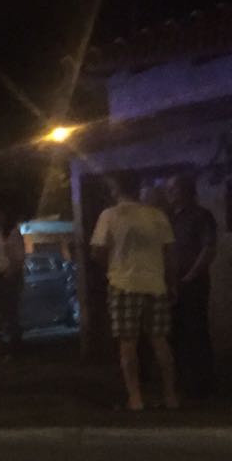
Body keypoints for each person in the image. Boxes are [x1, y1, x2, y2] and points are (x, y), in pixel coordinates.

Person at [91, 170, 178, 411]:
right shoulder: (157, 215)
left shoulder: (109, 215)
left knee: (127, 342)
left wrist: (113, 265)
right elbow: (170, 253)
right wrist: (172, 283)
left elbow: (97, 251)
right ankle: (170, 395)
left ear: (116, 189)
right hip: (155, 284)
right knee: (160, 341)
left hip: (123, 284)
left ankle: (136, 397)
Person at [165, 173, 218, 398]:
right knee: (175, 333)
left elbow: (209, 248)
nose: (169, 193)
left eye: (173, 188)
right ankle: (182, 382)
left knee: (196, 331)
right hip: (174, 283)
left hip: (193, 284)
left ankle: (204, 384)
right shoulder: (171, 219)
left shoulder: (201, 215)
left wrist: (191, 275)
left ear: (185, 190)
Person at [0, 206, 26, 356]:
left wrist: (11, 272)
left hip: (10, 276)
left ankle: (15, 346)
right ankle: (2, 345)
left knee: (11, 311)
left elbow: (19, 256)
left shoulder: (13, 233)